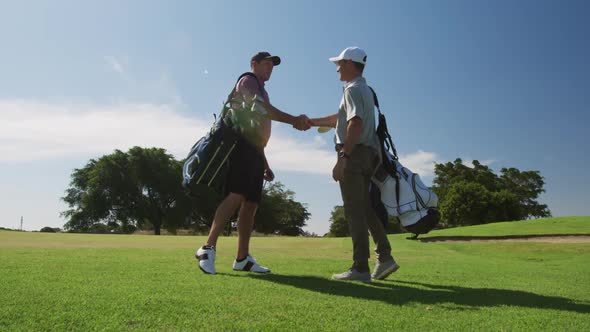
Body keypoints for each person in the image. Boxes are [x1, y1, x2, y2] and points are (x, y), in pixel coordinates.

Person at [196, 52, 311, 275]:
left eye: (272, 65)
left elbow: (255, 130)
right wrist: (294, 120)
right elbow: (258, 109)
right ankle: (207, 248)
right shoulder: (247, 81)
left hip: (254, 151)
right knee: (236, 195)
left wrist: (264, 161)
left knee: (251, 204)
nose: (270, 68)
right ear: (254, 64)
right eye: (266, 64)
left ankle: (242, 258)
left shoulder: (263, 89)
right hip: (239, 148)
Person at [309, 47, 399, 282]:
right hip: (369, 155)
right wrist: (309, 122)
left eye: (339, 63)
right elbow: (341, 119)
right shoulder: (364, 89)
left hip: (355, 155)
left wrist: (343, 158)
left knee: (354, 211)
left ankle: (360, 268)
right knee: (365, 208)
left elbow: (355, 124)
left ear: (350, 63)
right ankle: (385, 257)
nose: (337, 67)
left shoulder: (352, 89)